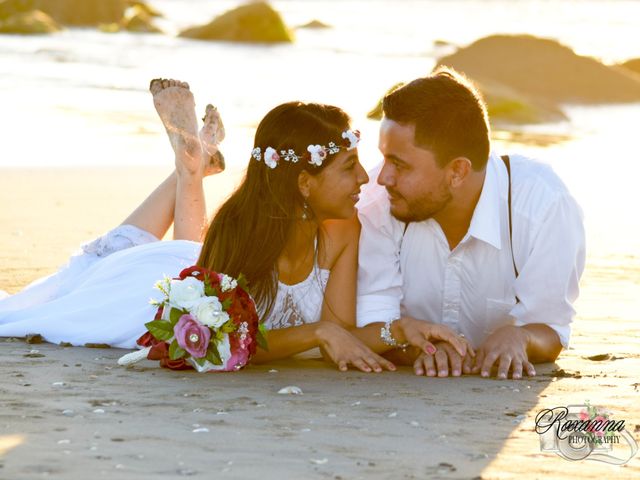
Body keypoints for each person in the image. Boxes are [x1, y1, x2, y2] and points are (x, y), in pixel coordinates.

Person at [0, 78, 465, 373]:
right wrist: (314, 333)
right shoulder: (240, 230)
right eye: (348, 167)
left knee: (184, 248)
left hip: (197, 268)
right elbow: (216, 345)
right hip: (145, 296)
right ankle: (189, 170)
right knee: (61, 294)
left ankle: (191, 168)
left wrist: (401, 331)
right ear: (304, 182)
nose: (365, 178)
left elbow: (336, 332)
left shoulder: (344, 232)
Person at [354, 67, 586, 379]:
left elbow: (552, 328)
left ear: (458, 172)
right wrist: (418, 348)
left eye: (399, 164)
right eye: (384, 158)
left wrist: (522, 337)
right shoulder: (377, 200)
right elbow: (373, 325)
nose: (383, 177)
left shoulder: (543, 206)